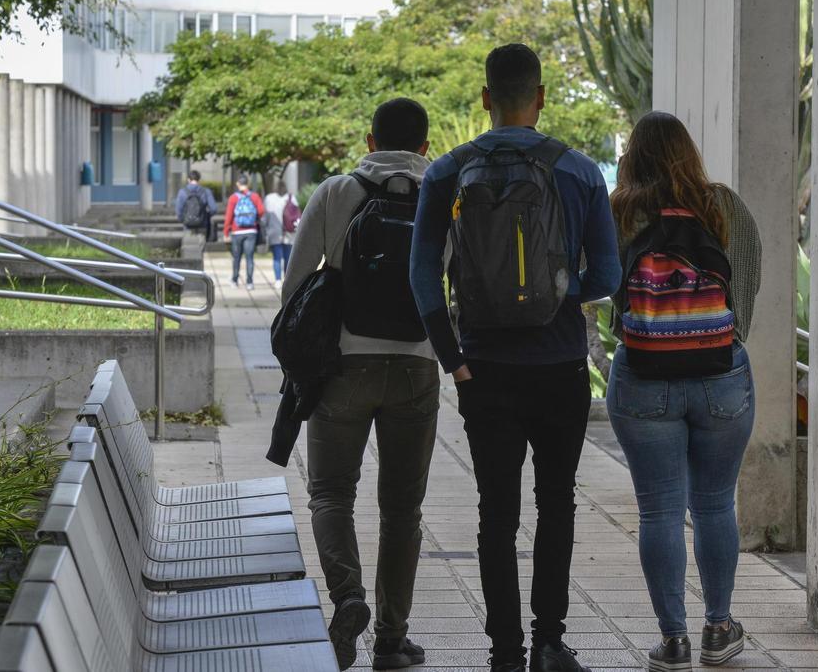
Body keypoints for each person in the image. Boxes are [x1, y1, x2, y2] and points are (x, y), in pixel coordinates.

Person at [410, 44, 621, 672]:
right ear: (542, 97)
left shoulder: (448, 170)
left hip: (485, 370)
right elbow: (608, 273)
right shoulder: (581, 172)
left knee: (495, 513)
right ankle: (550, 644)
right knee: (556, 501)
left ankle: (505, 651)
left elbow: (422, 277)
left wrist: (454, 360)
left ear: (484, 98)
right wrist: (561, 291)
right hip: (559, 368)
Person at [282, 97, 437, 671]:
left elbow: (295, 286)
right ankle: (393, 642)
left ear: (369, 142)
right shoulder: (444, 194)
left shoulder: (335, 192)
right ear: (425, 146)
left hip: (343, 367)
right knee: (402, 510)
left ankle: (348, 597)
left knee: (330, 493)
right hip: (416, 368)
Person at [605, 111, 762, 672]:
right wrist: (716, 341)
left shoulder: (619, 210)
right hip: (722, 375)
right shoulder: (724, 206)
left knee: (660, 511)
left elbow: (599, 283)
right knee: (716, 504)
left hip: (644, 378)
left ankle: (672, 642)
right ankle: (719, 628)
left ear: (633, 156)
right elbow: (745, 286)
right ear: (689, 153)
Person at [223, 175, 265, 288]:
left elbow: (229, 216)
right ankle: (249, 282)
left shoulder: (233, 198)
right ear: (248, 183)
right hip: (251, 231)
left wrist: (226, 232)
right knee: (249, 257)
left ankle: (235, 281)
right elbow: (261, 211)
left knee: (236, 257)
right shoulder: (255, 196)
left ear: (238, 184)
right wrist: (255, 219)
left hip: (237, 232)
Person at [263, 180, 299, 291]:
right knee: (288, 258)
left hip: (274, 232)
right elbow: (297, 215)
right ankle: (287, 279)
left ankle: (278, 280)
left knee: (277, 257)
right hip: (289, 233)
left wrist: (266, 230)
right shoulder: (291, 198)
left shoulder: (269, 198)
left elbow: (266, 217)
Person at [175, 170, 218, 241]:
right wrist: (206, 216)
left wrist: (183, 220)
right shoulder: (206, 191)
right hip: (202, 224)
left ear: (188, 179)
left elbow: (178, 210)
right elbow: (213, 209)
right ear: (199, 180)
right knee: (201, 246)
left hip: (188, 224)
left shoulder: (182, 192)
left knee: (189, 246)